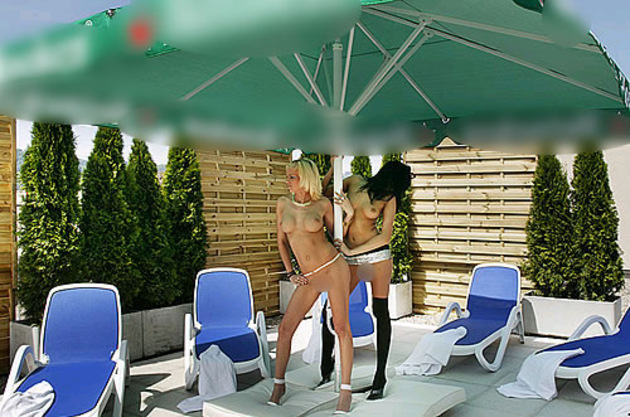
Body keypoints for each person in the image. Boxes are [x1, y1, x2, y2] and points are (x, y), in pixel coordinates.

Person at [320, 158, 413, 400]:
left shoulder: (389, 199)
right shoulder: (354, 181)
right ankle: (326, 368)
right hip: (350, 257)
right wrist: (332, 167)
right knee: (332, 308)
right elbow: (322, 193)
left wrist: (352, 252)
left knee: (380, 311)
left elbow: (385, 237)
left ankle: (380, 377)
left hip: (376, 258)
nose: (395, 191)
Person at [268, 158, 353, 414]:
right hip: (308, 277)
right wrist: (291, 273)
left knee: (341, 327)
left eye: (292, 177)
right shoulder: (282, 204)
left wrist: (348, 214)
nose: (287, 181)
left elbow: (337, 236)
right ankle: (279, 385)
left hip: (333, 269)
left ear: (305, 179)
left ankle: (345, 392)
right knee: (285, 329)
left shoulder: (322, 204)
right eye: (287, 176)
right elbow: (281, 241)